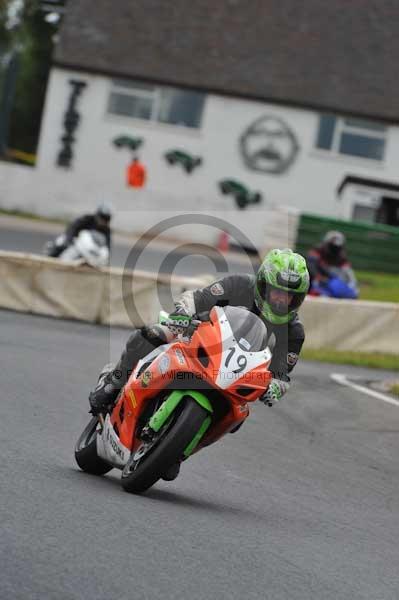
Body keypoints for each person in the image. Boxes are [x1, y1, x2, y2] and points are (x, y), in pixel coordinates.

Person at [88, 249, 309, 478]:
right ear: (264, 284)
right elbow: (198, 298)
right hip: (200, 339)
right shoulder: (239, 285)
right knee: (153, 334)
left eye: (289, 296)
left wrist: (276, 386)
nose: (282, 299)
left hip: (235, 374)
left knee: (239, 415)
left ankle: (179, 449)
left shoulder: (293, 333)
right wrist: (183, 313)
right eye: (277, 291)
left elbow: (281, 374)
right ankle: (112, 384)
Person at [306, 230, 358, 298]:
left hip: (332, 281)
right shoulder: (317, 252)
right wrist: (319, 278)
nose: (334, 250)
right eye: (332, 247)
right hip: (317, 282)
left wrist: (352, 286)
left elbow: (349, 273)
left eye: (337, 248)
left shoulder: (342, 257)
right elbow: (311, 266)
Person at [48, 203, 112, 257]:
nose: (104, 221)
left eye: (107, 219)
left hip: (91, 249)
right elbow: (73, 227)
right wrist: (68, 240)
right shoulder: (87, 219)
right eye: (103, 217)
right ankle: (50, 257)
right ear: (98, 215)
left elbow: (107, 246)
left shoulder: (106, 230)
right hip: (75, 241)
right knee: (61, 242)